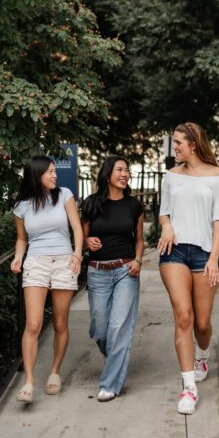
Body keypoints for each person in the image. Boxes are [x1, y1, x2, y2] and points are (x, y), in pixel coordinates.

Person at [158, 122, 219, 415]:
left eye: (178, 143)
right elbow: (164, 213)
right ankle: (189, 388)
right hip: (173, 251)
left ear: (193, 144)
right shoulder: (171, 176)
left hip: (204, 253)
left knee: (202, 323)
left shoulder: (218, 177)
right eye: (173, 142)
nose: (174, 147)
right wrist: (165, 227)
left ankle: (202, 354)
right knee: (184, 316)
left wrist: (214, 258)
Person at [11, 155, 83, 403]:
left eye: (55, 171)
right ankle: (29, 381)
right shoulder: (21, 205)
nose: (55, 175)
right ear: (36, 174)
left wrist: (77, 253)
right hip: (36, 263)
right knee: (33, 324)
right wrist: (18, 257)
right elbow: (22, 238)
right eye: (49, 172)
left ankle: (54, 372)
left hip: (64, 261)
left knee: (60, 323)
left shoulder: (64, 195)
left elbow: (77, 228)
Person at [82, 156, 144, 402]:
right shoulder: (91, 204)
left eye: (127, 170)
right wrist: (87, 242)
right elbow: (82, 238)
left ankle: (110, 384)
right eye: (120, 169)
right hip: (97, 271)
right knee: (100, 328)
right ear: (108, 174)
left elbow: (139, 239)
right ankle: (114, 358)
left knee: (119, 327)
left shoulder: (133, 205)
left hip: (125, 270)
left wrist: (138, 260)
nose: (125, 173)